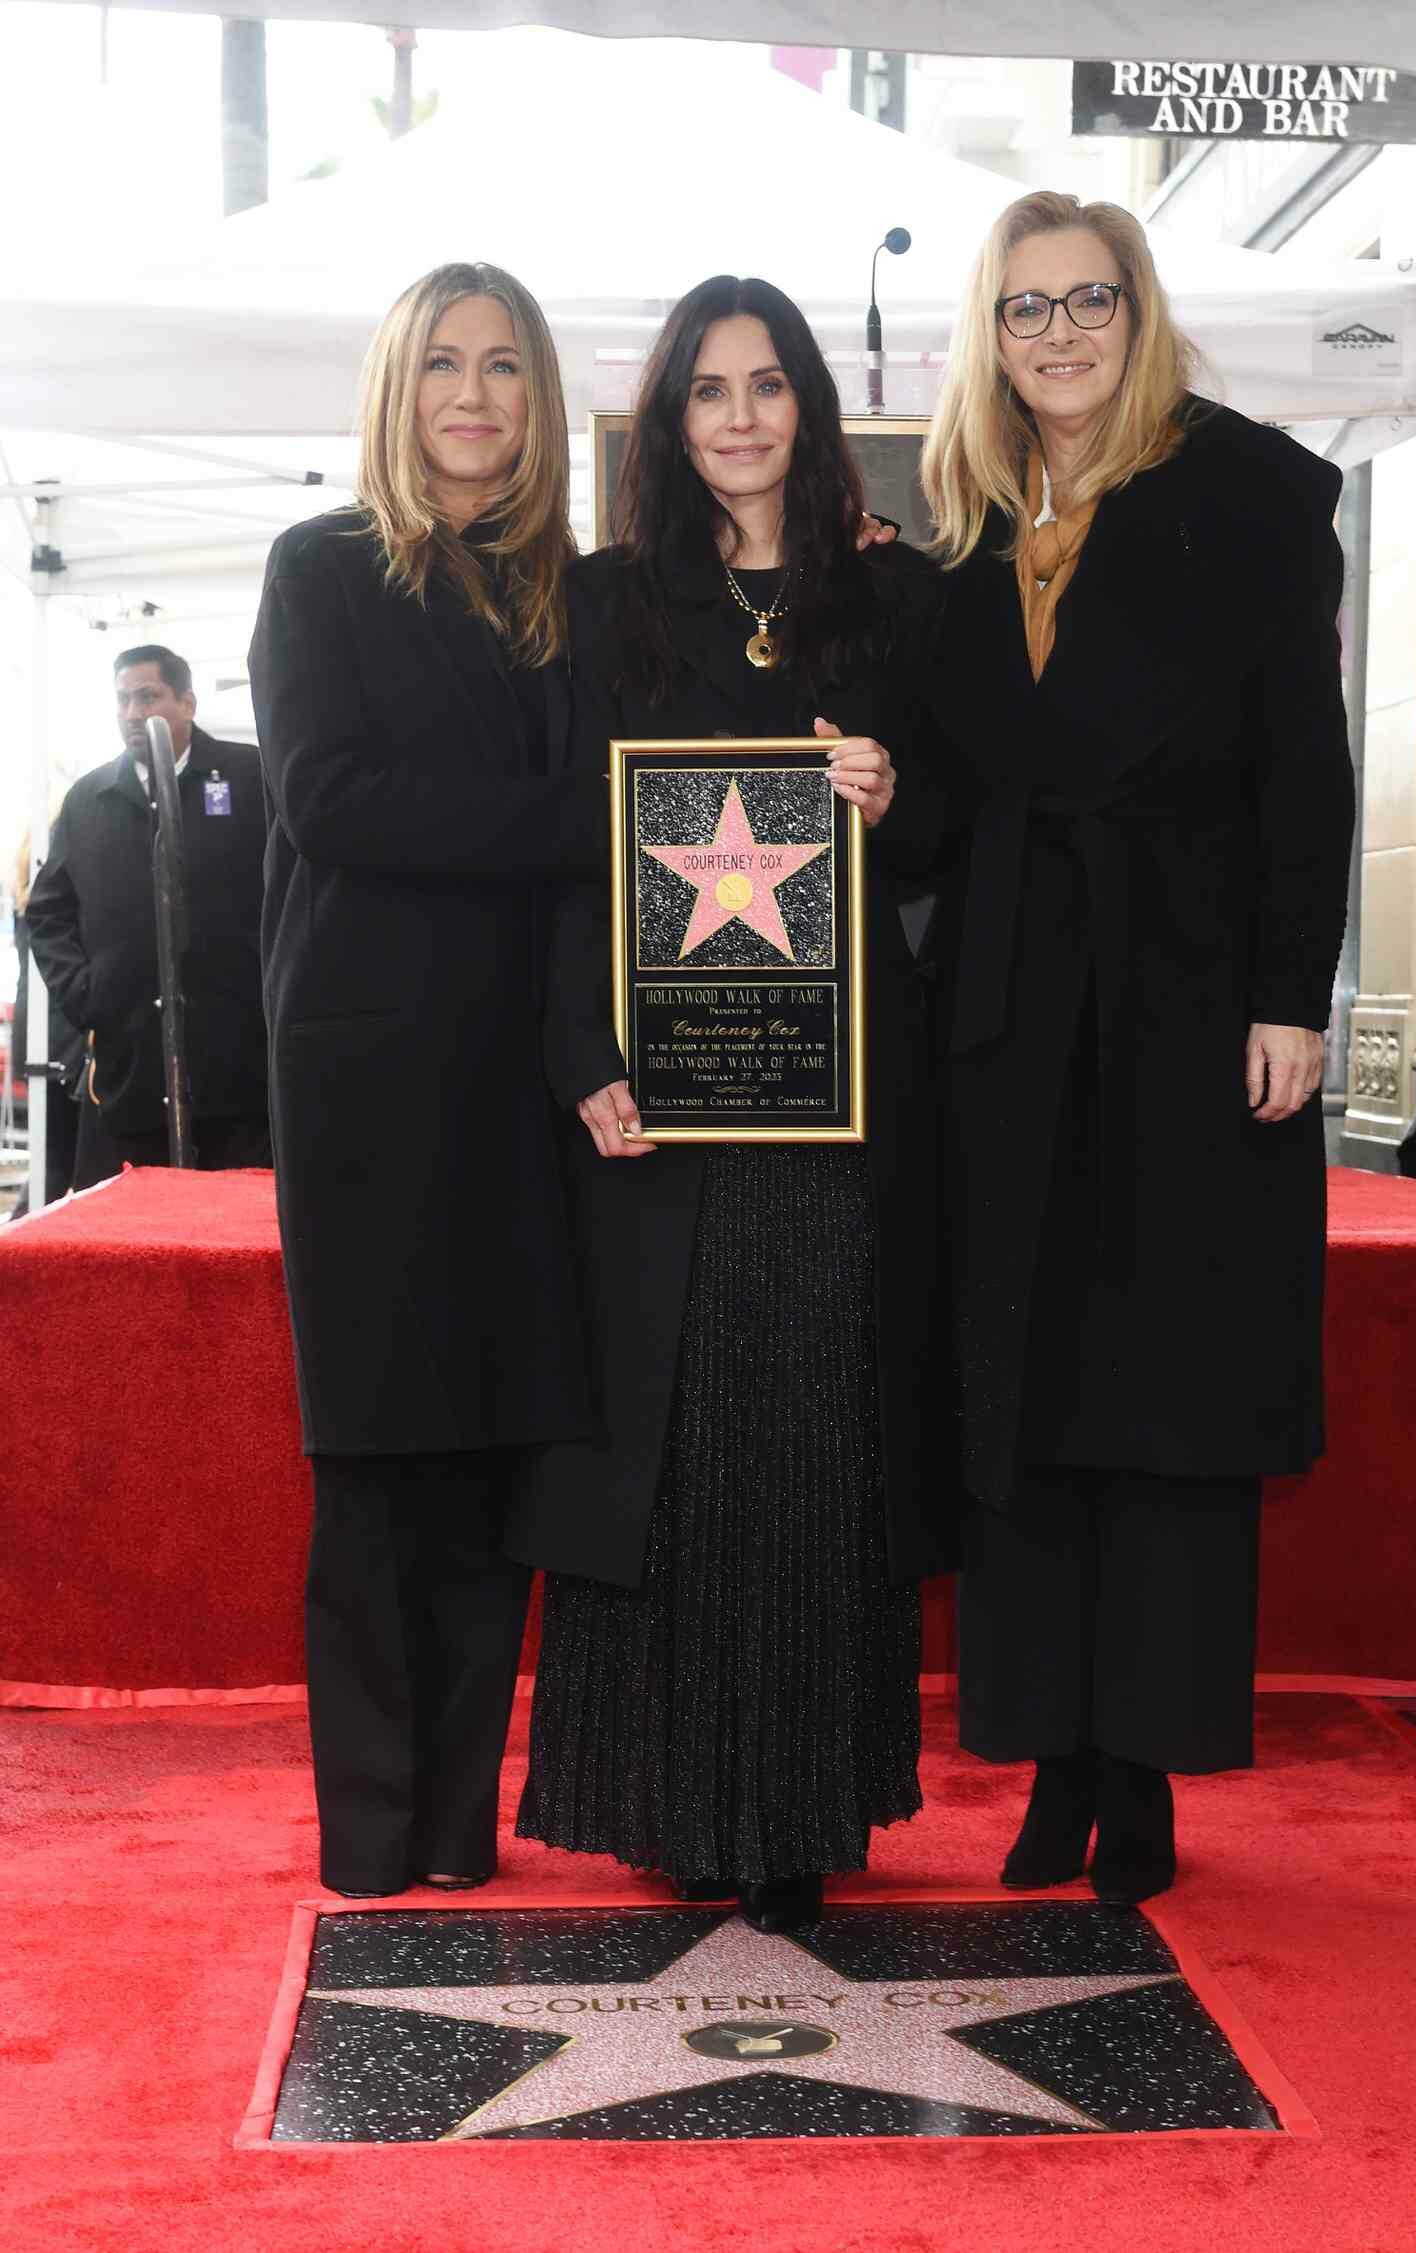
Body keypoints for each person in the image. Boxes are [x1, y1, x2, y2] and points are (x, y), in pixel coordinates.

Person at [921, 193, 1355, 1904]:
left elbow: (1304, 771)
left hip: (1191, 1007)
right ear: (993, 331)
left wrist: (1293, 995)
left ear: (1140, 304)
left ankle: (1145, 1775)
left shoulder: (1250, 495)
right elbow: (957, 789)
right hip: (1014, 1016)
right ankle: (1050, 1764)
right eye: (1025, 309)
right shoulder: (959, 521)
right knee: (1022, 1387)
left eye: (1089, 299)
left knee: (1161, 1399)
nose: (1059, 335)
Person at [511, 275, 955, 1934]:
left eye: (770, 386)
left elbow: (952, 845)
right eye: (711, 390)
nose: (744, 417)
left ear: (811, 408)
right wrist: (580, 1058)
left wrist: (896, 796)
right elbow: (562, 858)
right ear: (668, 419)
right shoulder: (604, 602)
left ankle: (802, 1810)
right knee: (677, 1451)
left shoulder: (889, 609)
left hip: (841, 1113)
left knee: (817, 1441)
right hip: (661, 1108)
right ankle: (676, 1798)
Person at [248, 262, 607, 1898]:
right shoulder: (319, 568)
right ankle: (372, 1831)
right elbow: (335, 803)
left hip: (518, 1082)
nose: (474, 395)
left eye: (505, 369)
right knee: (380, 1461)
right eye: (445, 365)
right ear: (399, 390)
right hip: (367, 1082)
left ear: (538, 403)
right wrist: (568, 824)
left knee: (489, 1458)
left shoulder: (563, 595)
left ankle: (460, 1828)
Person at [25, 647, 270, 1180]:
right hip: (130, 1069)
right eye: (122, 700)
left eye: (148, 696)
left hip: (237, 1067)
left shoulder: (249, 779)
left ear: (187, 702)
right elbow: (47, 911)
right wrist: (87, 994)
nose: (132, 712)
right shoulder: (91, 798)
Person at [7, 830, 85, 1218]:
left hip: (40, 1033)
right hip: (61, 1037)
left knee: (52, 1160)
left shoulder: (24, 905)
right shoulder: (53, 906)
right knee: (60, 1162)